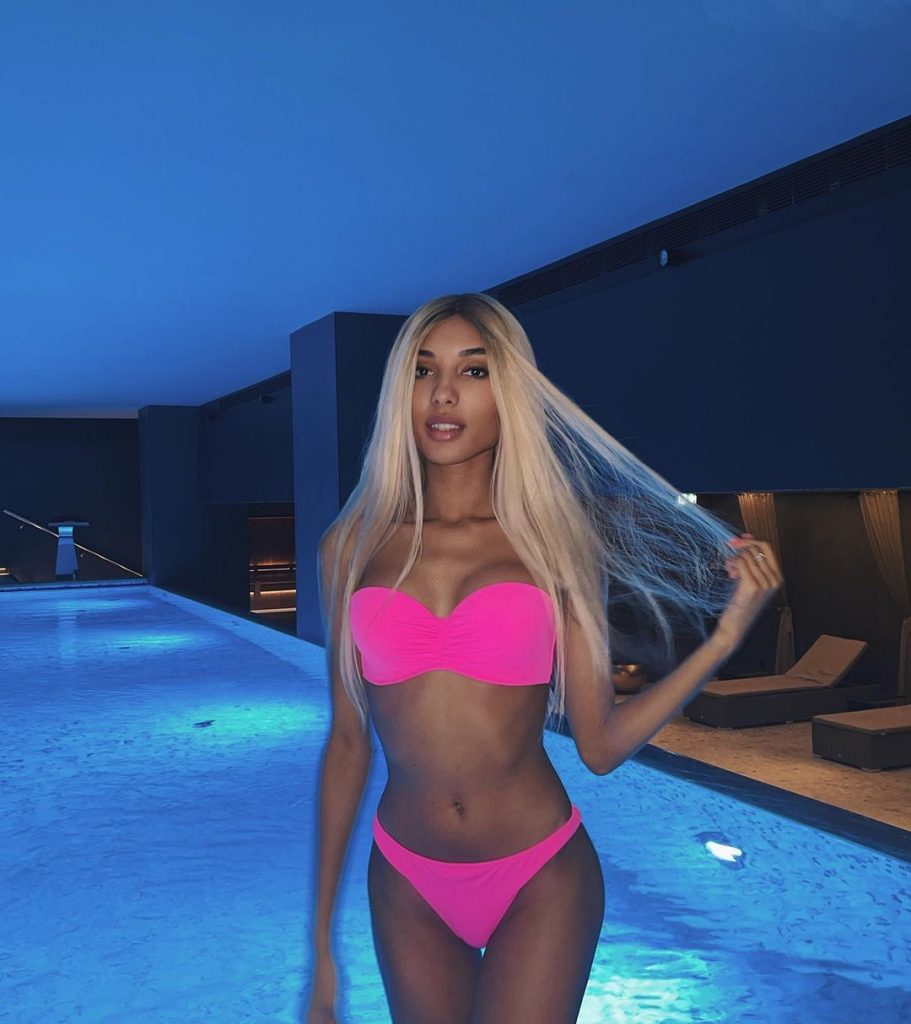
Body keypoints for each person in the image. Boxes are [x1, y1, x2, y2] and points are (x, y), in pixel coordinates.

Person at [304, 293, 782, 1024]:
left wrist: (724, 638)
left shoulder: (553, 544)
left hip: (539, 875)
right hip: (405, 875)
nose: (442, 393)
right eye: (423, 370)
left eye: (473, 371)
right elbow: (346, 741)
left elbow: (600, 745)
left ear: (510, 394)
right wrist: (321, 946)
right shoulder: (351, 545)